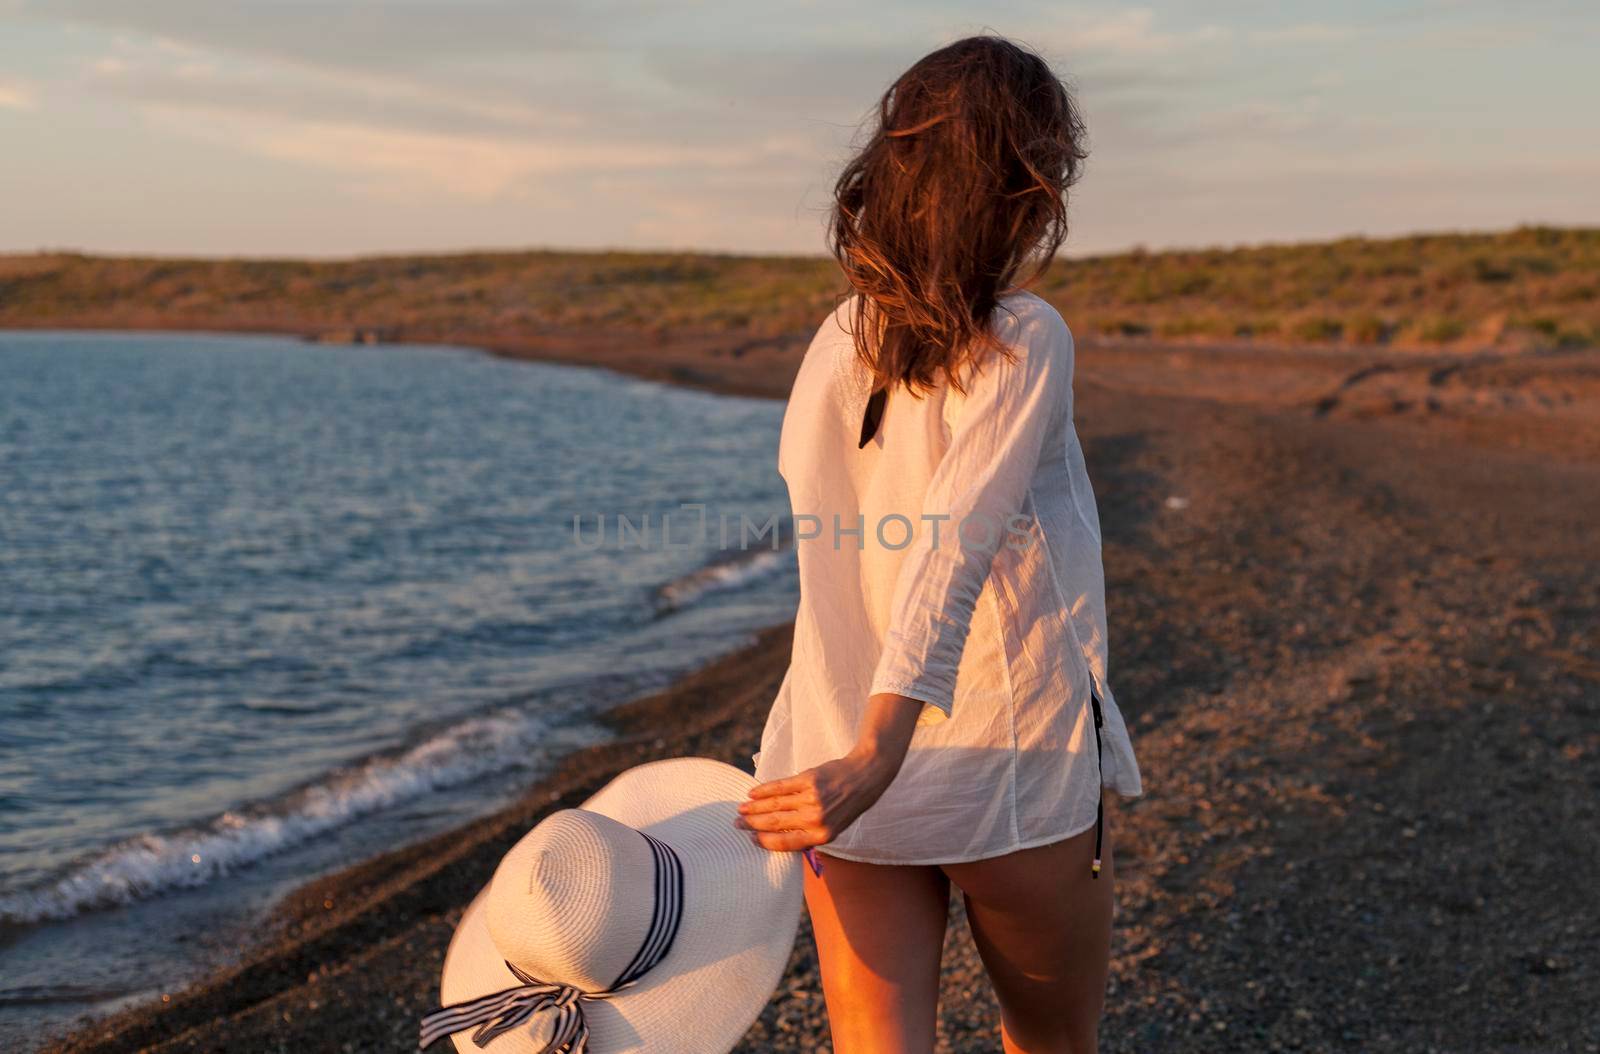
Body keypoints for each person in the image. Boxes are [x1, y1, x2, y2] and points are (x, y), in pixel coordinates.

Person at [735, 34, 1144, 1054]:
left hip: (833, 749)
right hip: (1002, 750)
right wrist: (881, 750)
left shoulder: (837, 335)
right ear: (1025, 188)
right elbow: (951, 548)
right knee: (1051, 1043)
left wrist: (848, 749)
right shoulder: (1025, 336)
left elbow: (837, 547)